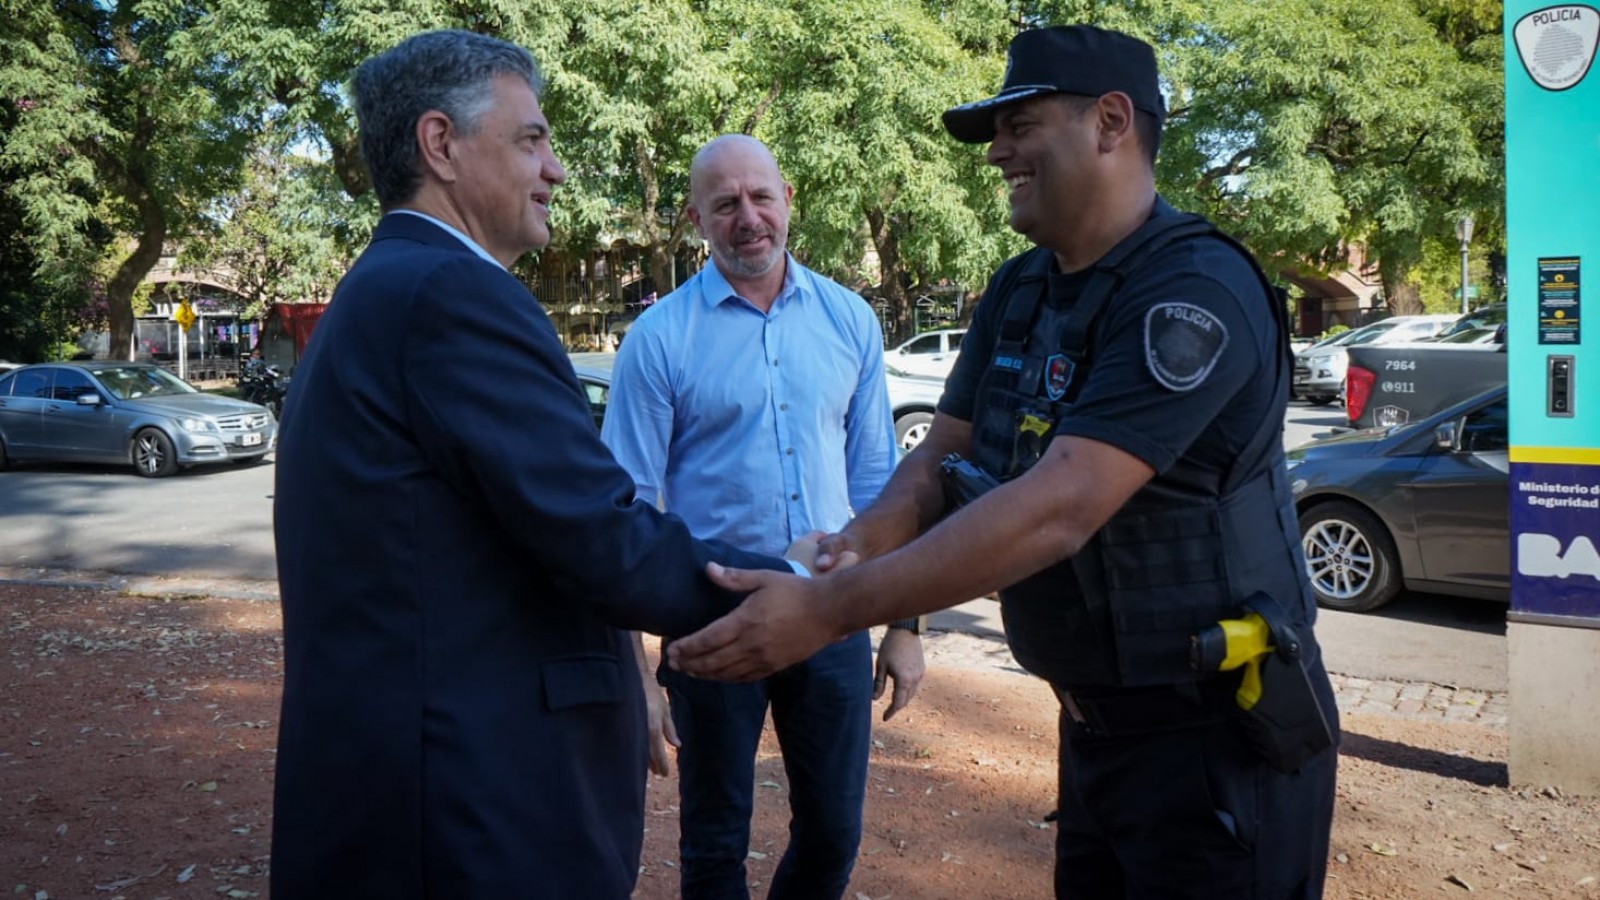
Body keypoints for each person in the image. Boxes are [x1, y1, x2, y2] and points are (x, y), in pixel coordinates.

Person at [669, 25, 1340, 899]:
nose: (997, 153)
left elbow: (1059, 507)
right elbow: (944, 458)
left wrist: (829, 610)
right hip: (1095, 731)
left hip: (1217, 741)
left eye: (1020, 125)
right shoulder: (1023, 290)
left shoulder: (1192, 292)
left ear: (1109, 121)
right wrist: (847, 548)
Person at [270, 30, 804, 900]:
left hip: (420, 789)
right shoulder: (451, 294)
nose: (555, 168)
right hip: (465, 809)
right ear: (440, 145)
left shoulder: (392, 285)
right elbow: (597, 532)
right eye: (531, 139)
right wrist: (799, 585)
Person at [602, 134, 926, 900]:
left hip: (831, 604)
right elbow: (623, 512)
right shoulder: (658, 340)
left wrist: (906, 625)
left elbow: (884, 484)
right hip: (711, 615)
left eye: (760, 197)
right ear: (696, 220)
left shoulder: (850, 321)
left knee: (834, 831)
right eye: (725, 204)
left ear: (789, 203)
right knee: (715, 838)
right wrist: (634, 675)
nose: (747, 217)